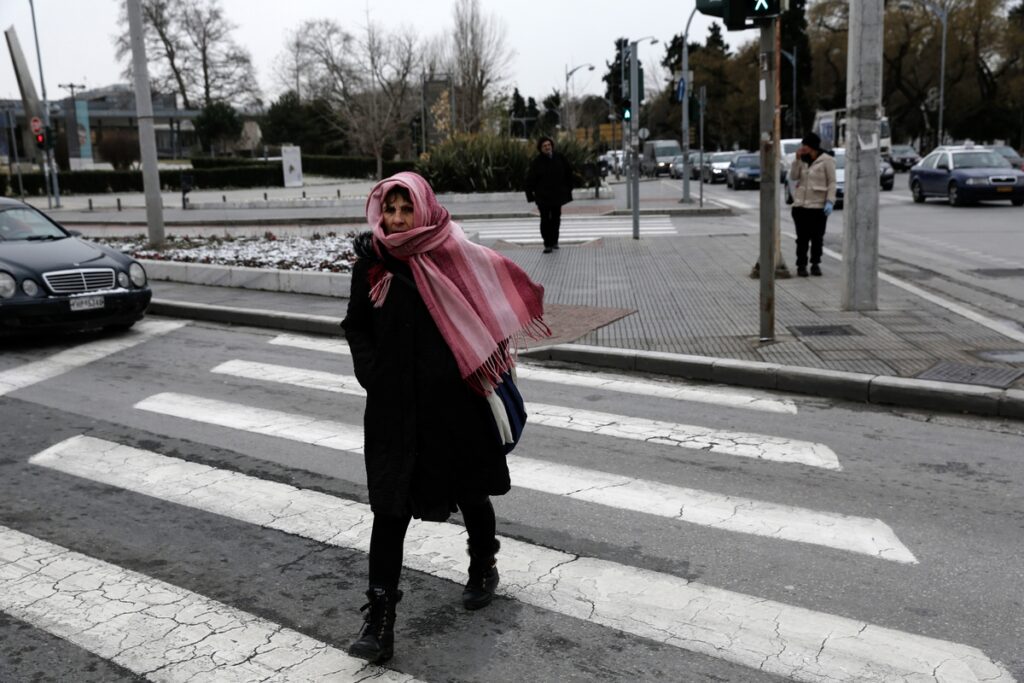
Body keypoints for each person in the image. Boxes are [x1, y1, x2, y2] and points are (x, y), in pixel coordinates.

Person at [341, 171, 550, 664]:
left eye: (404, 209)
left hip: (455, 405)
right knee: (389, 509)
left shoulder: (452, 253)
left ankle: (483, 563)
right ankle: (380, 619)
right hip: (394, 409)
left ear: (423, 208)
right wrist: (374, 375)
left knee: (470, 491)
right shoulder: (372, 264)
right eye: (388, 210)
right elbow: (357, 326)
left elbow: (488, 312)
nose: (395, 220)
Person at [788, 132, 837, 277]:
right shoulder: (801, 160)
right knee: (801, 238)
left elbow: (832, 182)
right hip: (800, 207)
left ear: (812, 146)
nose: (803, 148)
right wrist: (797, 160)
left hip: (818, 207)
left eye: (805, 145)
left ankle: (815, 264)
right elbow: (793, 176)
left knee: (817, 238)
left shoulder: (827, 160)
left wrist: (830, 201)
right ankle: (801, 265)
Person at [525, 136, 574, 253]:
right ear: (540, 148)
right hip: (543, 197)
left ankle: (555, 241)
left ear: (552, 146)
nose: (547, 147)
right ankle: (547, 243)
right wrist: (530, 196)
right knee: (545, 219)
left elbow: (569, 174)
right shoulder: (537, 162)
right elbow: (530, 179)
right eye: (544, 146)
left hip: (557, 196)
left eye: (549, 145)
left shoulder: (560, 158)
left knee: (556, 219)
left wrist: (568, 189)